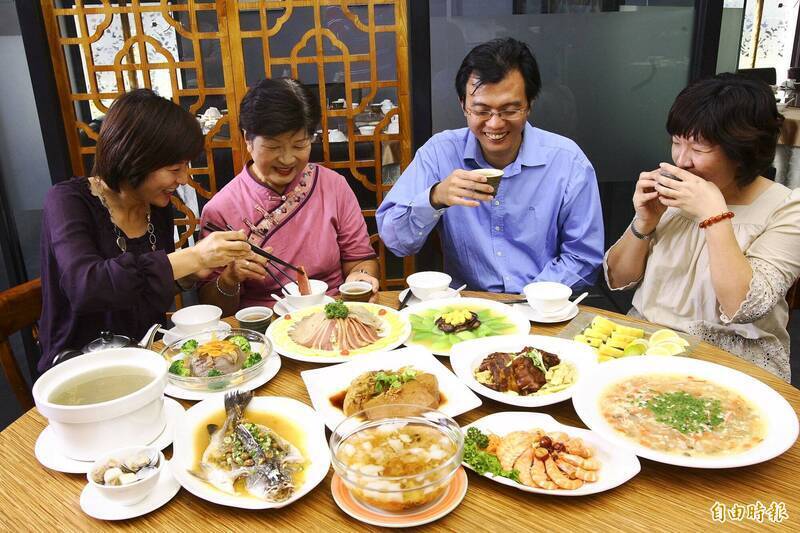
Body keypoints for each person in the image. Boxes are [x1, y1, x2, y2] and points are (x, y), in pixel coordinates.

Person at [604, 73, 800, 382]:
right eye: (676, 142)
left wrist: (714, 215)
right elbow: (618, 278)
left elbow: (743, 307)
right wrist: (645, 221)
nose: (682, 160)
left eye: (699, 147)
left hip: (731, 365)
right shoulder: (678, 192)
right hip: (647, 348)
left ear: (743, 149)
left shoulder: (787, 209)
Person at [39, 89, 252, 371]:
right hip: (79, 368)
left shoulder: (155, 205)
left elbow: (144, 291)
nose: (184, 179)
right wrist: (193, 257)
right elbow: (86, 287)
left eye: (185, 166)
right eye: (174, 168)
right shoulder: (67, 201)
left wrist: (189, 275)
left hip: (146, 361)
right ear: (134, 159)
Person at [376, 37, 603, 293]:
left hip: (542, 305)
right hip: (466, 309)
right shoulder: (440, 153)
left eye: (509, 110)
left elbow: (583, 258)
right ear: (463, 105)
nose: (495, 124)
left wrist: (528, 301)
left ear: (529, 105)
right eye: (481, 111)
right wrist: (435, 197)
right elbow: (396, 241)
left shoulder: (567, 161)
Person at [198, 78, 379, 315]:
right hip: (264, 324)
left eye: (299, 145)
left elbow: (361, 259)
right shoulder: (220, 209)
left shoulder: (334, 186)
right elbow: (213, 307)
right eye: (273, 147)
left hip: (332, 314)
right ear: (248, 140)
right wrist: (230, 279)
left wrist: (361, 277)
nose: (287, 159)